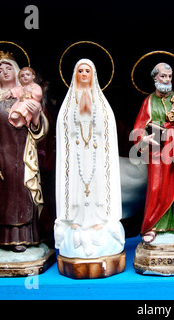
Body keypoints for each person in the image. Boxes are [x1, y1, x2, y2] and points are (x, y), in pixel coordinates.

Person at [0, 51, 48, 252]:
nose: (4, 72)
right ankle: (0, 239)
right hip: (1, 156)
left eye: (9, 68)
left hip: (23, 154)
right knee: (1, 197)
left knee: (22, 194)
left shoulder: (29, 95)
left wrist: (35, 116)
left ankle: (23, 238)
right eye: (0, 70)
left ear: (17, 72)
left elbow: (40, 130)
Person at [55, 59, 125, 258]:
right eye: (80, 71)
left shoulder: (100, 100)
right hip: (77, 154)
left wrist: (92, 111)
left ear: (93, 75)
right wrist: (77, 113)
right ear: (75, 75)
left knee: (96, 187)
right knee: (76, 186)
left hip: (95, 154)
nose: (84, 74)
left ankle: (97, 220)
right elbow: (63, 126)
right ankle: (75, 219)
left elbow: (107, 127)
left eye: (87, 71)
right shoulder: (70, 100)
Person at [132, 62, 174, 243]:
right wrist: (144, 138)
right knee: (157, 187)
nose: (166, 80)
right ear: (154, 78)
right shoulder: (148, 101)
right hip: (157, 148)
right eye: (163, 76)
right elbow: (138, 128)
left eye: (169, 76)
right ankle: (152, 225)